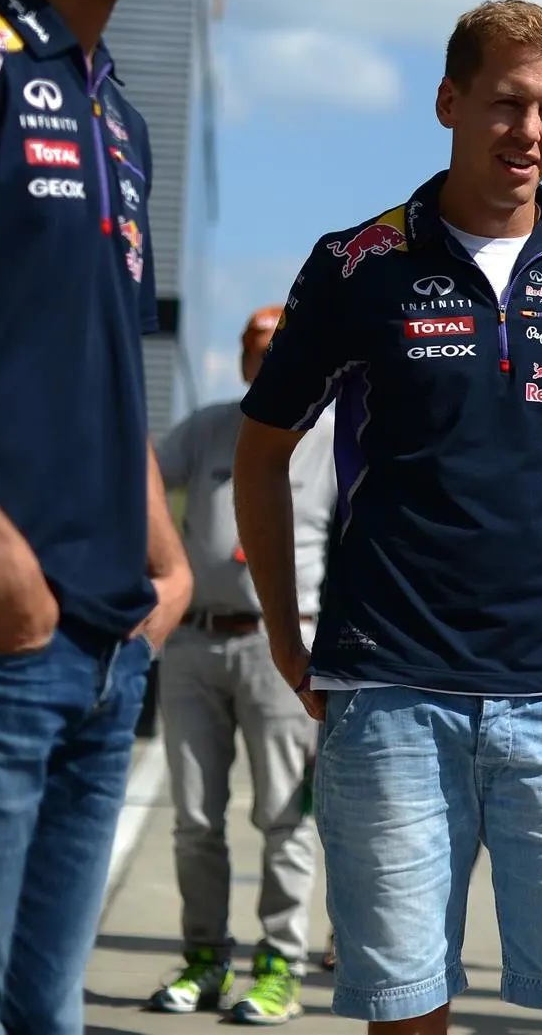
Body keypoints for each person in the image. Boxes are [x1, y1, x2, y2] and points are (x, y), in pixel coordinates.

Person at [0, 0, 263, 1031]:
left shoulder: (117, 115)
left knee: (43, 1018)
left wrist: (164, 564)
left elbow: (98, 368)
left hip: (109, 653)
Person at [233, 0, 542, 1035]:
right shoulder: (357, 262)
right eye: (507, 103)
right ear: (448, 101)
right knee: (408, 1009)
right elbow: (262, 449)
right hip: (391, 693)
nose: (530, 132)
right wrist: (291, 642)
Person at [148, 306, 338, 1023]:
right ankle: (203, 958)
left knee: (283, 816)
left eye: (279, 348)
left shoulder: (330, 438)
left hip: (282, 646)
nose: (266, 360)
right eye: (256, 349)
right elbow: (148, 482)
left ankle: (279, 965)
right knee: (195, 814)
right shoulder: (206, 426)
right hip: (195, 640)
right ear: (241, 360)